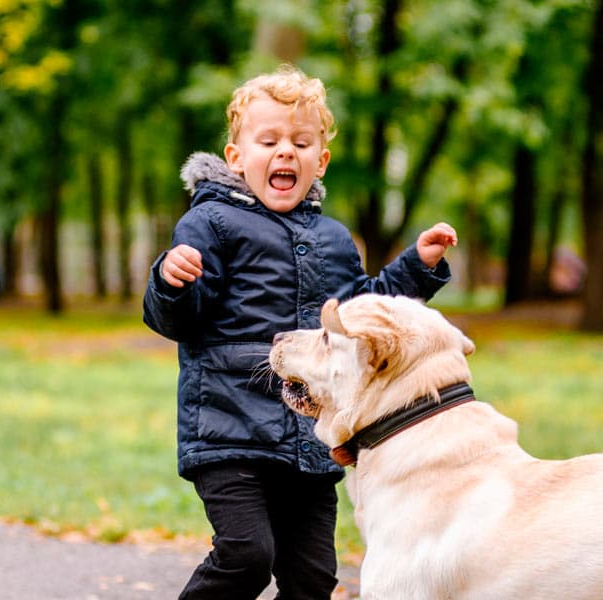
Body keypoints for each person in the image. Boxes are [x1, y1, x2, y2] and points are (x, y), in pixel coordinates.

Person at [143, 64, 458, 600]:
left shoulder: (334, 238)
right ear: (237, 158)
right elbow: (179, 321)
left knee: (312, 577)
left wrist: (417, 266)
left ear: (321, 160)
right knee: (247, 556)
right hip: (230, 433)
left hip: (310, 441)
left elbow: (361, 314)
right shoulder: (211, 223)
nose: (286, 152)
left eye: (301, 142)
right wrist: (171, 283)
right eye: (269, 141)